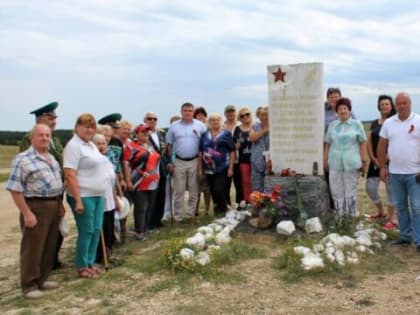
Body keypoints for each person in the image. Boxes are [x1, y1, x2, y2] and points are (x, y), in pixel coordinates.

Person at [7, 124, 64, 299]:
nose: (45, 138)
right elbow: (15, 189)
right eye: (41, 135)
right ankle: (29, 285)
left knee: (49, 244)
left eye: (47, 135)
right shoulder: (22, 159)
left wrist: (60, 205)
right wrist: (27, 213)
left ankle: (43, 278)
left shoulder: (51, 159)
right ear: (32, 138)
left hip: (53, 204)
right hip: (35, 206)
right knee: (33, 247)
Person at [19, 101, 64, 269]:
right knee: (36, 236)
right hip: (36, 196)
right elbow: (27, 166)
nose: (54, 121)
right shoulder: (28, 138)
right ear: (39, 119)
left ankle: (50, 262)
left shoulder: (55, 139)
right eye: (50, 117)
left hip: (56, 193)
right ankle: (33, 273)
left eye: (54, 118)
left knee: (55, 231)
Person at [63, 114, 108, 278]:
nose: (89, 130)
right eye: (86, 126)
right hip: (83, 195)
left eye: (92, 126)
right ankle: (82, 265)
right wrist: (78, 200)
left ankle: (90, 261)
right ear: (77, 127)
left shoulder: (91, 145)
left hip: (97, 195)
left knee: (96, 230)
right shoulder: (74, 146)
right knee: (87, 231)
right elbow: (69, 174)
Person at [378, 92, 420, 251]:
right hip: (395, 173)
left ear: (410, 104)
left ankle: (419, 240)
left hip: (415, 173)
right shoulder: (389, 123)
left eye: (405, 103)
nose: (402, 106)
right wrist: (382, 167)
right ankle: (405, 236)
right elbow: (381, 146)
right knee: (401, 206)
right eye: (399, 103)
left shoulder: (418, 120)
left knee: (417, 207)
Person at [324, 98, 368, 217]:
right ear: (336, 112)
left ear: (349, 110)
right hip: (334, 162)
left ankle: (351, 216)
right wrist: (325, 160)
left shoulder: (356, 124)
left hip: (351, 163)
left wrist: (364, 161)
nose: (343, 111)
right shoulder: (333, 125)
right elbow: (327, 143)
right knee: (336, 190)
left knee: (350, 190)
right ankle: (340, 216)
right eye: (340, 109)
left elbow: (363, 142)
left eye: (345, 108)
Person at [166, 102, 206, 224]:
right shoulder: (174, 126)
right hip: (179, 161)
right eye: (185, 110)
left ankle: (190, 215)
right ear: (181, 112)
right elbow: (169, 145)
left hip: (194, 161)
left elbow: (205, 145)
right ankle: (178, 217)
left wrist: (202, 164)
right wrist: (171, 161)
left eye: (190, 110)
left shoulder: (200, 126)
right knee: (179, 191)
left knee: (194, 190)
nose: (188, 113)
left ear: (193, 112)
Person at [123, 124, 160, 240]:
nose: (146, 134)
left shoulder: (150, 145)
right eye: (143, 132)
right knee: (141, 207)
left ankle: (146, 228)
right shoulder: (131, 147)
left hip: (153, 181)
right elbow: (126, 164)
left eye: (147, 132)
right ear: (136, 134)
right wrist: (128, 180)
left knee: (150, 206)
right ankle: (139, 232)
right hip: (138, 181)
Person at [365, 95, 397, 229]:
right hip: (375, 161)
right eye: (382, 104)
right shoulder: (374, 123)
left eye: (387, 104)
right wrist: (373, 158)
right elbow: (369, 142)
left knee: (391, 190)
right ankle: (380, 212)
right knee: (370, 188)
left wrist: (385, 159)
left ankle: (390, 219)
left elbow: (396, 141)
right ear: (379, 106)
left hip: (391, 161)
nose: (384, 106)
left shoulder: (395, 122)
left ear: (391, 106)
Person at [198, 113, 235, 214]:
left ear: (221, 121)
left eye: (217, 120)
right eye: (213, 120)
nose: (215, 122)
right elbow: (201, 152)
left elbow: (232, 151)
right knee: (213, 191)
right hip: (208, 168)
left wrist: (231, 168)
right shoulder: (205, 135)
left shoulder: (226, 134)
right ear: (209, 122)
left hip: (222, 167)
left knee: (218, 190)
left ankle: (226, 209)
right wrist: (200, 169)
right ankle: (218, 212)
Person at [92, 134, 120, 263]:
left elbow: (112, 181)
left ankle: (107, 252)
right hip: (98, 200)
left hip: (109, 200)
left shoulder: (106, 160)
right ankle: (99, 256)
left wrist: (115, 199)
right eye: (98, 143)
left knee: (109, 229)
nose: (101, 146)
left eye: (103, 143)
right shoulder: (91, 162)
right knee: (100, 229)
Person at [144, 112, 168, 231]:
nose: (152, 121)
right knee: (151, 198)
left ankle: (158, 220)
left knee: (161, 195)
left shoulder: (160, 133)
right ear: (145, 120)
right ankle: (150, 223)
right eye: (150, 119)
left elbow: (165, 150)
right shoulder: (142, 134)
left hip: (161, 168)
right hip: (150, 170)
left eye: (155, 119)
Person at [223, 104, 243, 206]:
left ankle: (240, 206)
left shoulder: (240, 125)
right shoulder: (222, 126)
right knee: (225, 185)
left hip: (238, 159)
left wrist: (239, 144)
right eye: (228, 112)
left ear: (235, 113)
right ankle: (227, 206)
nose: (230, 114)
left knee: (239, 184)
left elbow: (242, 139)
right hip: (225, 160)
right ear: (225, 114)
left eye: (232, 111)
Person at [193, 107, 211, 215]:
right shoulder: (192, 128)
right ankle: (195, 210)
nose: (200, 117)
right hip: (195, 160)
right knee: (196, 187)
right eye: (198, 115)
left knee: (207, 188)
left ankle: (207, 210)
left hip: (208, 161)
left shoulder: (209, 129)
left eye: (202, 115)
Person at [233, 107, 253, 203]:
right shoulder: (237, 129)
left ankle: (258, 202)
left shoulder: (256, 126)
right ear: (239, 118)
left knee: (257, 181)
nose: (245, 117)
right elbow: (234, 145)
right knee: (245, 182)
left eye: (247, 114)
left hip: (257, 159)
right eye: (242, 115)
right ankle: (248, 202)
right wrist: (236, 146)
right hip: (244, 159)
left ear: (251, 114)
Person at [249, 106, 270, 192]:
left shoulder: (276, 126)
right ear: (258, 116)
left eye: (267, 114)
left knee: (270, 186)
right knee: (257, 188)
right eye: (262, 115)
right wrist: (265, 130)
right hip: (257, 161)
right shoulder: (254, 126)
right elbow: (252, 137)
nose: (265, 117)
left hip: (271, 162)